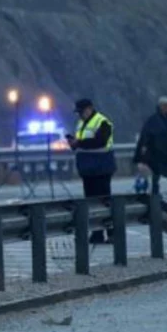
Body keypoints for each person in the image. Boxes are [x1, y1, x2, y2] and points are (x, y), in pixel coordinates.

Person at [67, 98, 115, 244]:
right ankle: (97, 233)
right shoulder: (81, 123)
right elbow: (82, 143)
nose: (80, 115)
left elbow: (100, 141)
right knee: (92, 203)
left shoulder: (102, 122)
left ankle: (112, 233)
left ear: (89, 109)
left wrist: (79, 143)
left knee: (104, 202)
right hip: (87, 169)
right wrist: (73, 143)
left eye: (82, 112)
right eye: (79, 113)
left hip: (101, 168)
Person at [135, 97, 167, 199]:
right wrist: (144, 150)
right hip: (156, 151)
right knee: (156, 173)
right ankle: (155, 193)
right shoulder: (153, 120)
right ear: (161, 106)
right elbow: (146, 135)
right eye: (166, 106)